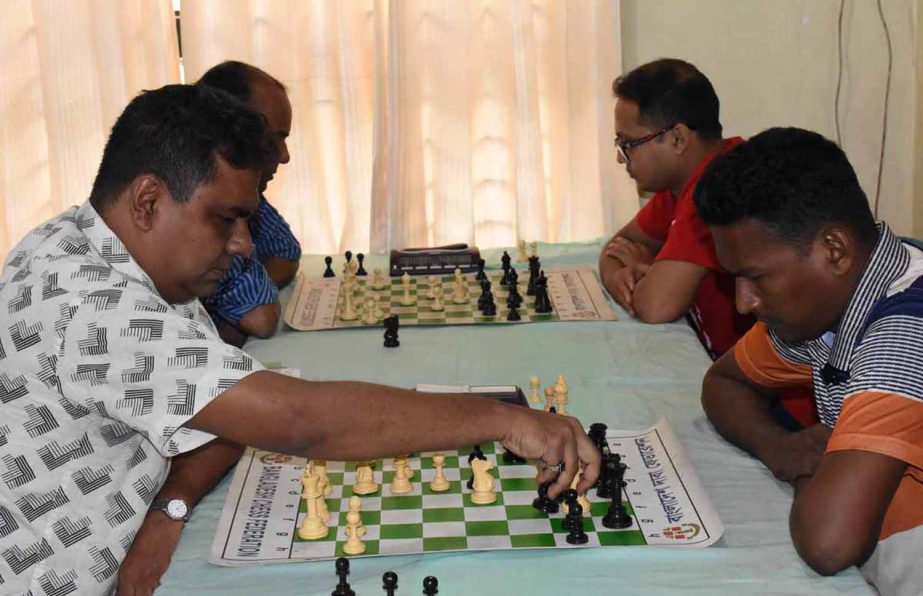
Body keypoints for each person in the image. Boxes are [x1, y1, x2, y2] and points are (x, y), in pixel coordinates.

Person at [0, 84, 599, 596]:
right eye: (225, 218)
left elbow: (233, 413)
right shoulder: (94, 305)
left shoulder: (92, 249)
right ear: (149, 200)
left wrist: (170, 507)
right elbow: (297, 420)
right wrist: (500, 420)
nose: (242, 244)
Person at [694, 127, 923, 594]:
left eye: (755, 277)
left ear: (834, 250)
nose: (742, 302)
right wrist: (779, 446)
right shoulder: (832, 306)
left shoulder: (904, 333)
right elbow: (723, 382)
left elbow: (829, 543)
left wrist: (812, 474)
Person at [598, 58, 815, 428]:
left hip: (778, 400)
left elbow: (655, 305)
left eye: (628, 144)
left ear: (678, 138)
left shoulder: (717, 189)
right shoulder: (682, 183)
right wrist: (631, 273)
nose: (621, 158)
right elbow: (615, 247)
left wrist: (648, 276)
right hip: (732, 374)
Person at [198, 61, 301, 348]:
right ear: (228, 136)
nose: (284, 156)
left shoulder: (243, 193)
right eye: (272, 140)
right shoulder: (202, 203)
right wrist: (242, 309)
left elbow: (286, 251)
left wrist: (227, 311)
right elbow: (261, 318)